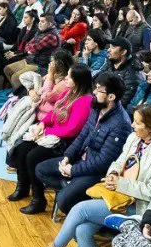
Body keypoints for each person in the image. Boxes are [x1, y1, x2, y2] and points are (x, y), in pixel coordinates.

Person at [31, 104, 151, 247]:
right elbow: (118, 161)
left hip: (136, 208)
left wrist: (120, 184)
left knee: (80, 209)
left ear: (150, 127)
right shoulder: (134, 139)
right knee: (82, 229)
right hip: (116, 197)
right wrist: (114, 173)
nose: (132, 125)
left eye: (137, 123)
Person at [32, 72, 132, 216]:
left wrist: (73, 171)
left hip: (95, 172)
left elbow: (103, 162)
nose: (94, 92)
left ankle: (73, 191)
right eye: (95, 88)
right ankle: (69, 186)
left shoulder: (120, 124)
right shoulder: (96, 108)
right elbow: (82, 136)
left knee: (63, 201)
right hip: (80, 160)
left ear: (111, 97)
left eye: (99, 90)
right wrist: (67, 157)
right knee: (40, 169)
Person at [8, 63, 93, 211]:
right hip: (54, 135)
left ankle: (38, 199)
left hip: (66, 143)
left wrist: (45, 132)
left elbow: (72, 130)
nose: (66, 78)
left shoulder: (85, 101)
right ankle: (22, 187)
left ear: (78, 80)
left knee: (33, 156)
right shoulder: (70, 92)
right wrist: (42, 124)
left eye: (69, 76)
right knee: (21, 148)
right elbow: (53, 114)